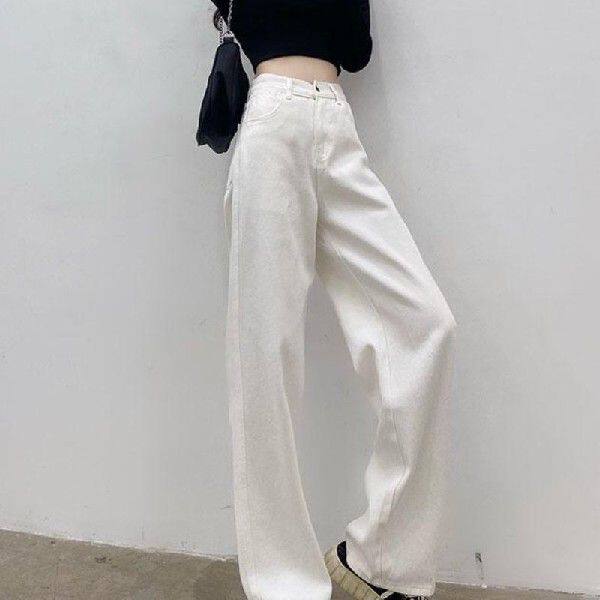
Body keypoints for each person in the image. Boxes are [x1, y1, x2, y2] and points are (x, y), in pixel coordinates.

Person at [210, 1, 457, 599]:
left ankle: (382, 561)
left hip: (337, 127)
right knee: (266, 358)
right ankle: (283, 585)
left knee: (426, 325)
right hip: (272, 118)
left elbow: (356, 49)